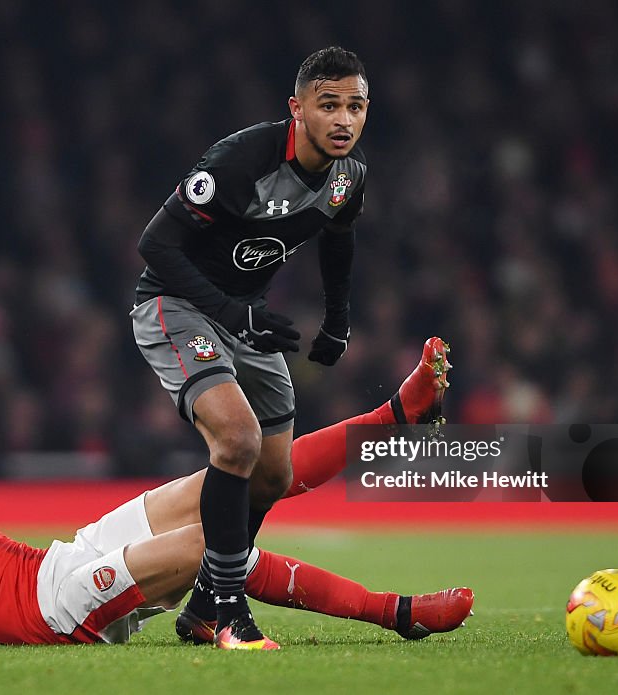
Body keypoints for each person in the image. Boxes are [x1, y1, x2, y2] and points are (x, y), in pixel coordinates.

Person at [0, 342, 472, 650]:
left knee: (231, 480)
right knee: (218, 535)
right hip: (51, 611)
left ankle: (393, 418)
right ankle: (396, 612)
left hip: (63, 561)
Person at [131, 45, 372, 649]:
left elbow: (339, 238)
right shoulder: (241, 161)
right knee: (236, 440)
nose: (344, 120)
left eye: (356, 106)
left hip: (243, 319)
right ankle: (227, 610)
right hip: (176, 306)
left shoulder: (349, 176)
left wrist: (338, 319)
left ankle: (208, 603)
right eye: (329, 105)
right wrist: (230, 311)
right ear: (298, 109)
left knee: (272, 474)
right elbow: (155, 245)